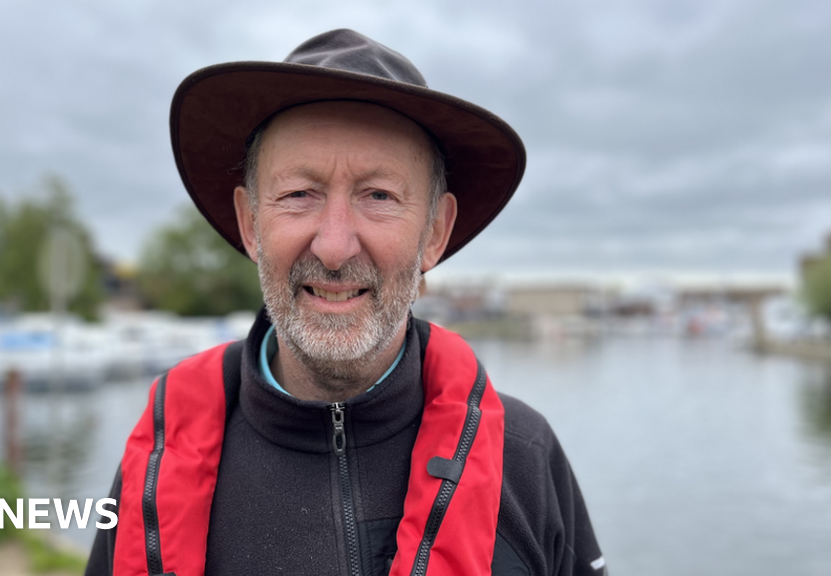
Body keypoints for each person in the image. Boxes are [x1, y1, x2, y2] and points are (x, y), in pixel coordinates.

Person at [85, 29, 605, 576]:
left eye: (379, 195)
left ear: (434, 232)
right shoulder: (157, 465)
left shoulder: (523, 459)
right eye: (298, 194)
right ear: (250, 224)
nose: (334, 247)